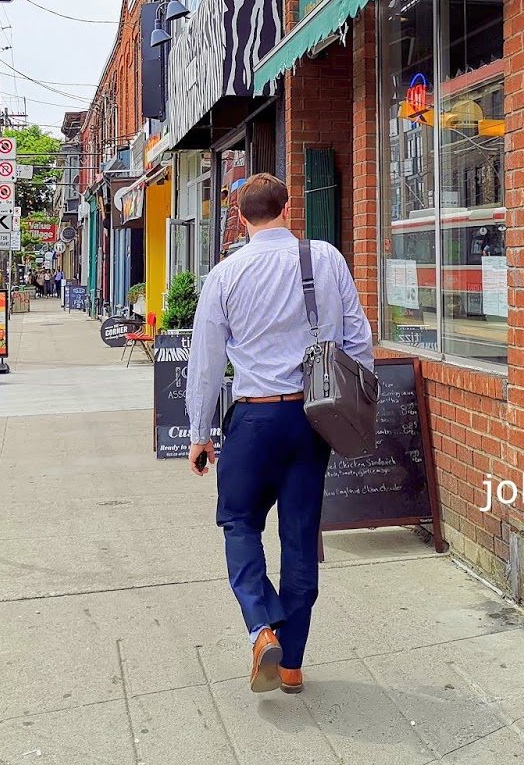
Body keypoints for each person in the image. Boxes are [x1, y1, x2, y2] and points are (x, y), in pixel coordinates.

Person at [184, 172, 373, 697]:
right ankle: (291, 665)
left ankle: (260, 626)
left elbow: (205, 363)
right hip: (312, 420)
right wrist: (353, 410)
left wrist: (200, 432)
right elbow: (358, 338)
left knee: (239, 522)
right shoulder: (325, 259)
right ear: (289, 208)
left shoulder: (225, 275)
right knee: (299, 536)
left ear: (240, 218)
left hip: (254, 417)